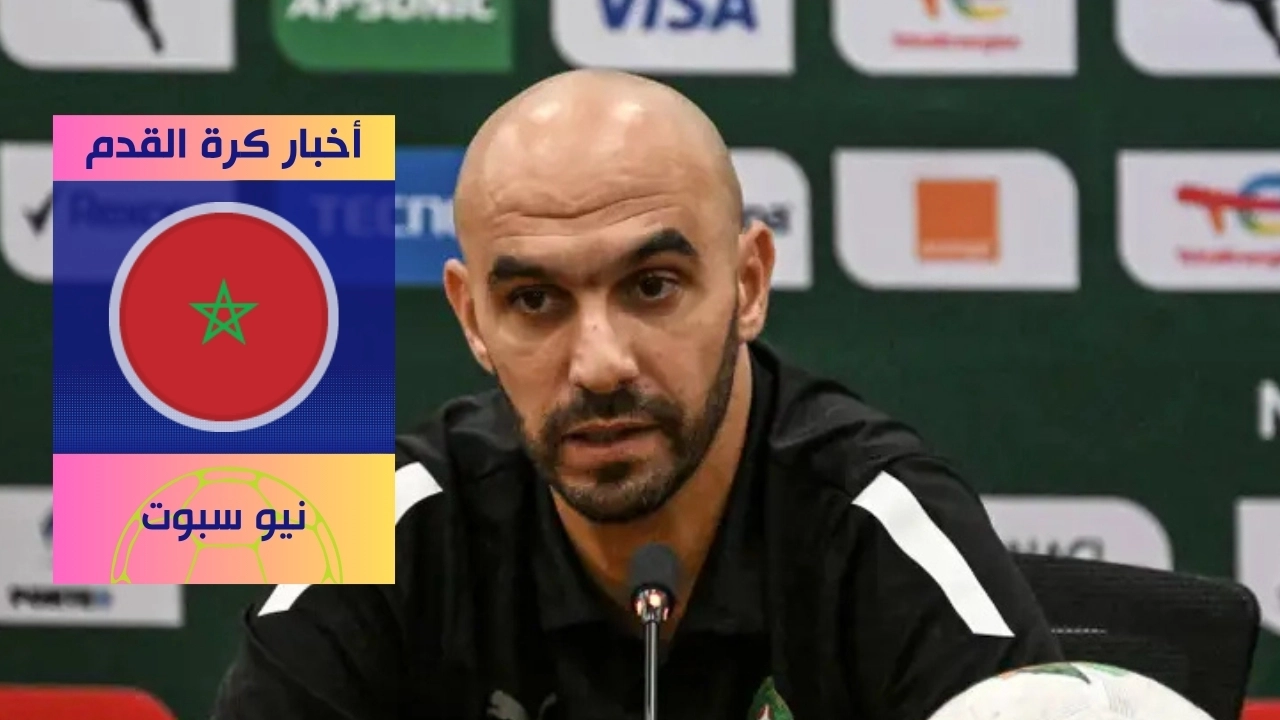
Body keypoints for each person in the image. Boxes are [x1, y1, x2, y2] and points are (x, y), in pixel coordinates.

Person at [210, 70, 1062, 720]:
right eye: (534, 301)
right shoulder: (384, 527)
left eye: (652, 287)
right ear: (472, 319)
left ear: (749, 285)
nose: (600, 365)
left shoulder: (881, 526)